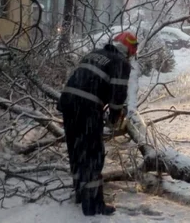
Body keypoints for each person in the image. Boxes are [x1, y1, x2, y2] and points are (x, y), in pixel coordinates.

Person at [57, 31, 137, 216]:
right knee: (93, 154)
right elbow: (117, 95)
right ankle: (93, 205)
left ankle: (80, 193)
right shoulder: (120, 62)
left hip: (68, 103)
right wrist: (114, 117)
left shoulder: (94, 53)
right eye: (132, 53)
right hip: (86, 107)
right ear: (128, 50)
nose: (131, 57)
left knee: (77, 149)